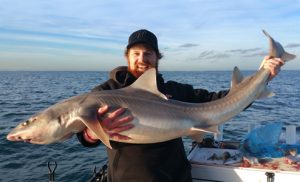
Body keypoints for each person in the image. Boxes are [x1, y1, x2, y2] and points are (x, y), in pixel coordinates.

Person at [77, 29, 284, 182]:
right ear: (127, 56)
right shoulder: (106, 93)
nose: (142, 59)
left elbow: (224, 102)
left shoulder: (176, 91)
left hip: (177, 177)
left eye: (148, 53)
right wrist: (93, 134)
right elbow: (83, 136)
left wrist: (263, 77)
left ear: (158, 57)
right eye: (136, 53)